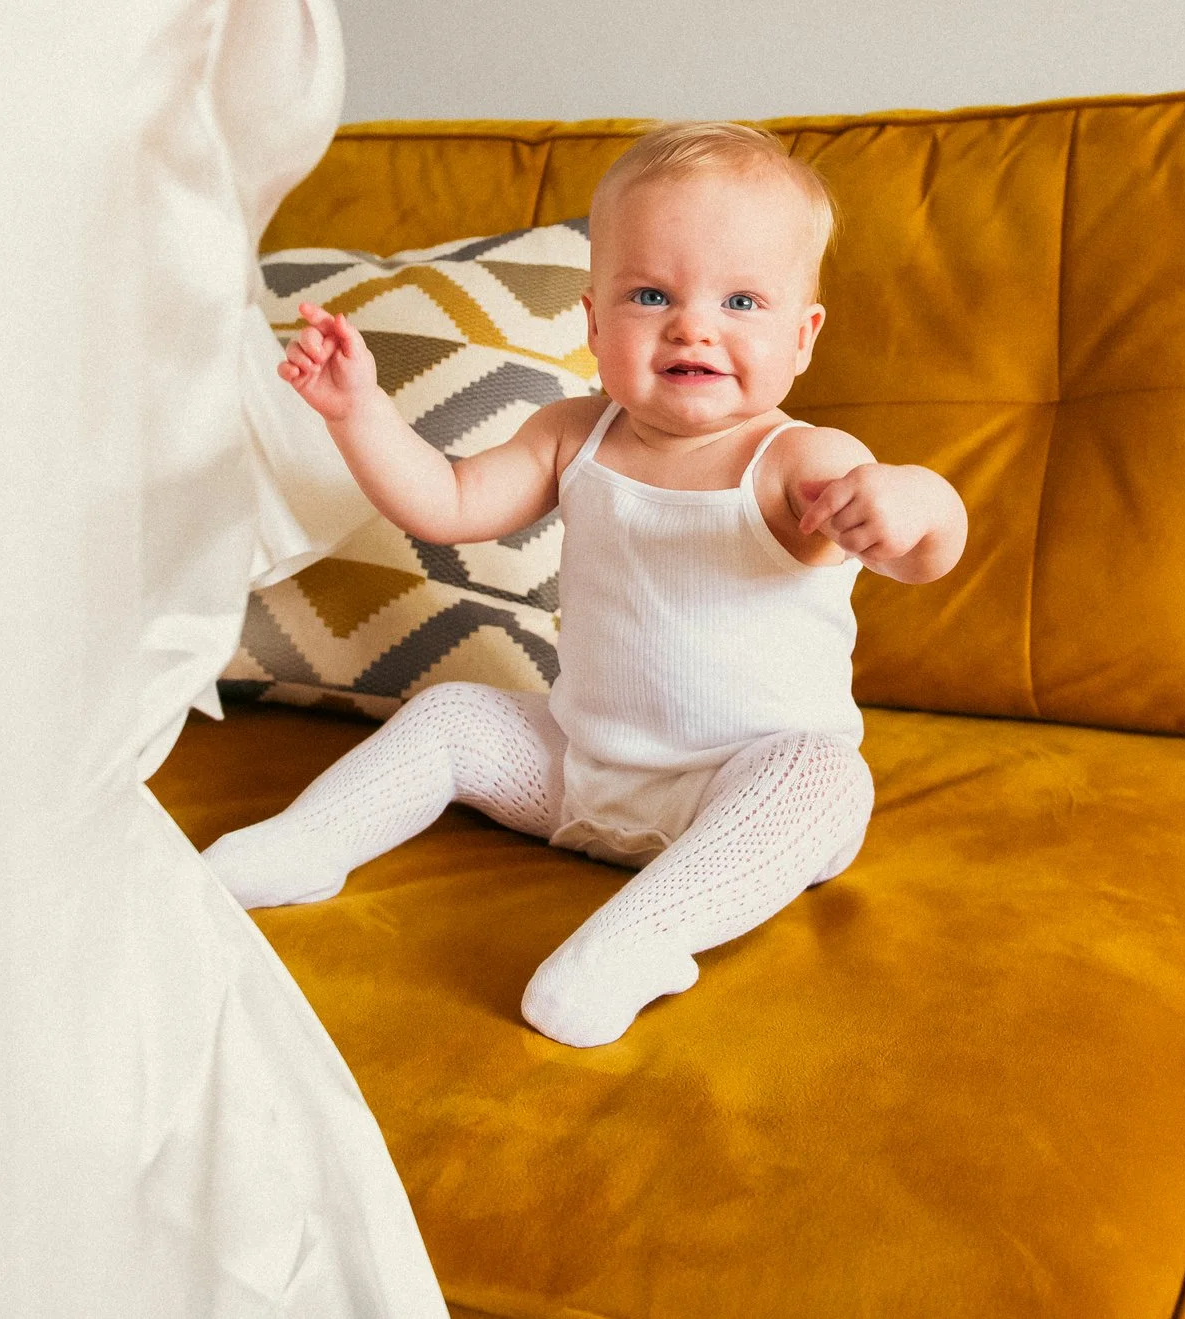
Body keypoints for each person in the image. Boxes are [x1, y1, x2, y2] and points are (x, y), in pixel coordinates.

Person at [202, 121, 969, 1047]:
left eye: (741, 300)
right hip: (576, 771)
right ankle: (309, 841)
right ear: (595, 323)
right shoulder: (574, 432)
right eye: (652, 294)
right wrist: (358, 412)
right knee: (453, 714)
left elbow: (928, 546)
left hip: (731, 787)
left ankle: (634, 943)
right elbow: (445, 501)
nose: (694, 324)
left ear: (802, 337)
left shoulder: (797, 462)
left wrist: (906, 501)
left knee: (822, 779)